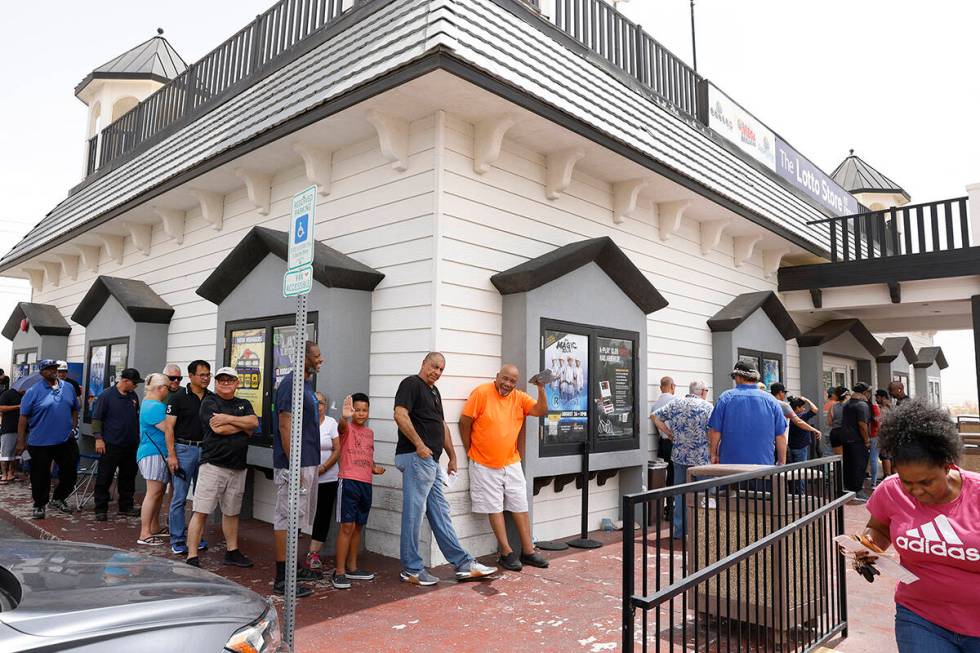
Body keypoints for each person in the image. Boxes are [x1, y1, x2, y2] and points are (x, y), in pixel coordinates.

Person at [854, 400, 980, 651]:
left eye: (926, 482)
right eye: (907, 482)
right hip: (920, 617)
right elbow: (878, 529)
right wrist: (867, 547)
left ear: (947, 465)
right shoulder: (890, 490)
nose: (916, 491)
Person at [393, 352, 496, 586]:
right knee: (414, 515)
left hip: (431, 462)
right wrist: (419, 445)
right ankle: (411, 569)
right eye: (434, 367)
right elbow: (399, 415)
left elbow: (441, 425)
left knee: (440, 514)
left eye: (441, 369)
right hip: (416, 458)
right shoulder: (411, 384)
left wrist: (452, 455)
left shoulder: (434, 391)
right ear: (423, 364)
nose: (437, 372)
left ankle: (463, 563)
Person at [459, 364, 550, 571]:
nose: (507, 384)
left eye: (512, 381)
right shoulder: (481, 393)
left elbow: (541, 410)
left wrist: (541, 388)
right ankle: (506, 552)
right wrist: (469, 450)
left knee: (520, 504)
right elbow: (464, 422)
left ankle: (528, 551)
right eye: (505, 379)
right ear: (497, 376)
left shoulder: (519, 397)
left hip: (511, 461)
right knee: (494, 507)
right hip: (484, 462)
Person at [185, 367, 257, 569]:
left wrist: (228, 418)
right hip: (213, 465)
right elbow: (218, 428)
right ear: (216, 383)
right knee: (201, 511)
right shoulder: (210, 402)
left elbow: (253, 423)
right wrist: (242, 426)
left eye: (230, 379)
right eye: (221, 380)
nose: (225, 383)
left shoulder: (244, 404)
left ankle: (232, 552)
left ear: (237, 383)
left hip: (238, 467)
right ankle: (192, 556)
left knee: (232, 512)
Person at [272, 340, 324, 597]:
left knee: (299, 516)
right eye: (316, 356)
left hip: (308, 460)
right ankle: (282, 578)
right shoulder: (291, 384)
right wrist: (293, 466)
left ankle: (294, 567)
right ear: (303, 357)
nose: (320, 359)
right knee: (286, 517)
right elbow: (285, 425)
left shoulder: (306, 385)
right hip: (294, 464)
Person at [331, 393, 385, 589]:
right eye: (357, 410)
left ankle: (353, 567)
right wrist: (345, 416)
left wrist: (375, 468)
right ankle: (339, 572)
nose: (361, 413)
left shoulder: (369, 433)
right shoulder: (346, 428)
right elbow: (341, 427)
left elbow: (368, 458)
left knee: (359, 526)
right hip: (348, 481)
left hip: (366, 483)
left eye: (364, 410)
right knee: (347, 526)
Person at [16, 359, 80, 519]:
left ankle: (58, 498)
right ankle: (39, 504)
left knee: (71, 472)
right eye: (48, 368)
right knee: (40, 475)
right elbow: (23, 418)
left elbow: (74, 409)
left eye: (54, 368)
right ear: (41, 372)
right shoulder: (33, 391)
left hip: (65, 440)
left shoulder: (69, 388)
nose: (52, 371)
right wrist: (20, 441)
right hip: (40, 442)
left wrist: (73, 427)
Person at [652, 380, 712, 539]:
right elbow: (713, 430)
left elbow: (655, 417)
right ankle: (702, 531)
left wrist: (668, 432)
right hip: (701, 458)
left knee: (680, 493)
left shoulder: (676, 403)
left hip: (679, 456)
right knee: (704, 494)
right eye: (707, 390)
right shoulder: (707, 407)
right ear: (703, 392)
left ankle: (679, 531)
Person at [165, 360, 213, 555]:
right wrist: (172, 455)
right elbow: (169, 428)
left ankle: (195, 536)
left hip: (206, 451)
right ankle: (177, 538)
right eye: (202, 374)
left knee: (202, 499)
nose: (206, 378)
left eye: (208, 374)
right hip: (184, 450)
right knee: (179, 497)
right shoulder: (177, 398)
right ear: (191, 376)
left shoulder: (212, 398)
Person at [708, 361, 786, 466]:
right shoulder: (771, 401)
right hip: (763, 466)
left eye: (734, 377)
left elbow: (715, 431)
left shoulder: (726, 398)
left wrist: (713, 455)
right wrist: (781, 462)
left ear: (739, 377)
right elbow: (780, 435)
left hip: (730, 467)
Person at [91, 368, 143, 520]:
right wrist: (98, 438)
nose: (136, 386)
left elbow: (136, 415)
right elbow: (96, 419)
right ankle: (100, 509)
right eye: (134, 383)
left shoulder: (133, 396)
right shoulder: (106, 396)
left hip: (130, 444)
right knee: (104, 477)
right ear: (125, 381)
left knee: (128, 477)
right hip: (111, 444)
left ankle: (126, 506)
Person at [135, 373, 173, 545]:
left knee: (157, 493)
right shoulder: (155, 407)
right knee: (153, 493)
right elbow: (168, 429)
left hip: (153, 453)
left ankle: (155, 526)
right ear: (160, 388)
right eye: (167, 387)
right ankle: (144, 533)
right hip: (153, 454)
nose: (168, 391)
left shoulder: (147, 403)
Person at [306, 391, 340, 572]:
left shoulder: (331, 423)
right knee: (301, 513)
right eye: (314, 402)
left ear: (325, 406)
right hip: (307, 477)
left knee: (323, 515)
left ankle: (313, 554)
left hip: (328, 477)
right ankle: (289, 553)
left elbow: (337, 449)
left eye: (321, 403)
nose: (318, 406)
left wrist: (324, 467)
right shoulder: (303, 423)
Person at [840, 382, 872, 501]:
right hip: (857, 440)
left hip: (846, 439)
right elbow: (862, 424)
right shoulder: (862, 405)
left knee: (849, 464)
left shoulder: (847, 404)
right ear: (864, 392)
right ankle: (857, 490)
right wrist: (866, 440)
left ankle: (848, 488)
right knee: (859, 465)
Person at [770, 383, 821, 447]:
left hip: (769, 441)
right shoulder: (783, 405)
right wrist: (814, 430)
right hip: (781, 442)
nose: (784, 395)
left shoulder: (767, 403)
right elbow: (798, 421)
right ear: (780, 392)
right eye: (784, 393)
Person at [649, 376, 677, 487]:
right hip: (674, 442)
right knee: (676, 473)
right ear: (672, 386)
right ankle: (676, 502)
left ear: (661, 388)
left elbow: (656, 424)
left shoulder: (655, 406)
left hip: (663, 443)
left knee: (668, 472)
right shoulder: (676, 401)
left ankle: (669, 503)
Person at [0, 386, 23, 483]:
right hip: (9, 428)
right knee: (6, 452)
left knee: (18, 454)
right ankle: (4, 474)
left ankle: (11, 473)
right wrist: (18, 406)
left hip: (23, 429)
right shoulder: (7, 394)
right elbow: (1, 408)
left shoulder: (27, 395)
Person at [875, 389, 894, 479]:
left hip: (885, 434)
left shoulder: (884, 408)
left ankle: (887, 475)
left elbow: (881, 422)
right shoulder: (890, 406)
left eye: (877, 397)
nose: (876, 399)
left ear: (883, 397)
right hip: (889, 433)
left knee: (885, 455)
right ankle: (889, 474)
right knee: (888, 455)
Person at [828, 386, 850, 455]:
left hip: (835, 432)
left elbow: (829, 422)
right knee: (849, 456)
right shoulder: (850, 406)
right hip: (847, 432)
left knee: (838, 458)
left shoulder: (833, 407)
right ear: (846, 395)